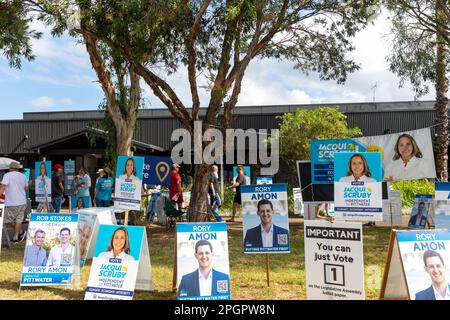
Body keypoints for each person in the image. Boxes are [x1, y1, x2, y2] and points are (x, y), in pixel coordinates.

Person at [0, 162, 28, 243]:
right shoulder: (23, 176)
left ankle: (20, 232)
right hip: (22, 201)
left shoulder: (7, 175)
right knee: (18, 220)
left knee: (5, 220)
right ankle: (17, 237)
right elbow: (26, 188)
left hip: (12, 202)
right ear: (17, 168)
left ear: (10, 168)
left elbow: (2, 187)